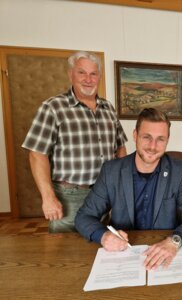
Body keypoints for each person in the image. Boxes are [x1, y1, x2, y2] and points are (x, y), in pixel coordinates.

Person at [75, 108, 182, 270]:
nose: (153, 146)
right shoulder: (111, 171)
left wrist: (174, 241)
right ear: (135, 135)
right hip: (123, 255)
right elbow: (84, 217)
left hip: (165, 251)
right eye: (146, 137)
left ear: (167, 140)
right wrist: (103, 236)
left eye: (160, 139)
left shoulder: (179, 171)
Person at [22, 51, 127, 233]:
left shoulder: (108, 108)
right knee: (66, 252)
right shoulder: (53, 108)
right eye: (82, 72)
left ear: (99, 77)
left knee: (102, 247)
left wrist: (120, 186)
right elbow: (36, 154)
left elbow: (120, 148)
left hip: (105, 193)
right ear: (70, 74)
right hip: (70, 196)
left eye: (93, 74)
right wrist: (48, 197)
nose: (88, 79)